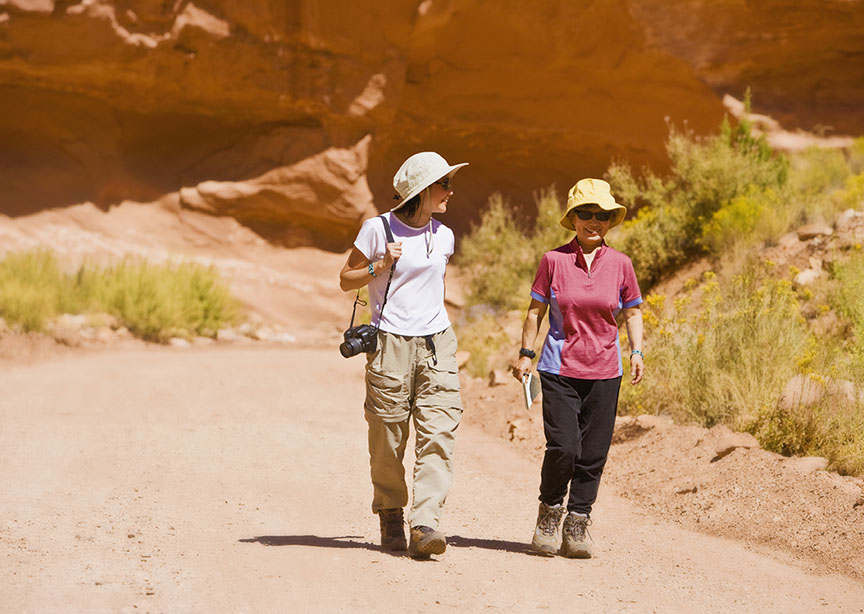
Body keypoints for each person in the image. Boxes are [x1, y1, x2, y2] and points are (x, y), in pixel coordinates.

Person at [339, 151, 468, 560]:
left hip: (436, 344)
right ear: (422, 191)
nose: (450, 191)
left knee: (439, 433)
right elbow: (346, 280)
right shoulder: (377, 229)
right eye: (443, 184)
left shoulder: (444, 235)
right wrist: (379, 265)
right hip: (390, 344)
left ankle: (425, 522)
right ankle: (391, 513)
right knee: (388, 439)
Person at [510, 177, 644, 559]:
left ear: (609, 221)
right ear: (573, 218)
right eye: (586, 213)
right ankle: (549, 514)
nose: (594, 221)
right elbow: (535, 312)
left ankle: (578, 523)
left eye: (602, 215)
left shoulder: (621, 264)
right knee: (565, 447)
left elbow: (632, 312)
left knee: (593, 454)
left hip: (605, 370)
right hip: (558, 368)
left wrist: (637, 352)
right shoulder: (553, 260)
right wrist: (525, 354)